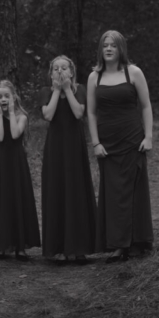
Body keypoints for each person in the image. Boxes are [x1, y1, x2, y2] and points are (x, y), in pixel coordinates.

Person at [87, 30, 154, 263]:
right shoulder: (94, 77)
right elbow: (91, 113)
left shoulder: (133, 73)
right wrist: (95, 142)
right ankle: (117, 245)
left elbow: (145, 106)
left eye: (113, 45)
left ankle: (137, 242)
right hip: (107, 144)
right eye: (104, 45)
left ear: (120, 49)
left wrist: (149, 136)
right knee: (113, 194)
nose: (108, 49)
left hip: (132, 140)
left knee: (133, 192)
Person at [40, 56, 97, 265]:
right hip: (55, 148)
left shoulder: (80, 89)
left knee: (76, 192)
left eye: (64, 68)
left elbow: (78, 112)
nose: (60, 71)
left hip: (74, 147)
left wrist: (67, 89)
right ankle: (60, 247)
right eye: (56, 69)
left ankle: (79, 247)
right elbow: (48, 115)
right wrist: (57, 90)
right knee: (57, 191)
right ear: (51, 73)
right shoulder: (46, 92)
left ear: (71, 72)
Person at [0, 80, 41, 261]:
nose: (3, 99)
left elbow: (15, 134)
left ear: (14, 97)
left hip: (17, 163)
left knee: (18, 197)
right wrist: (0, 115)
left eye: (7, 96)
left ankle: (20, 246)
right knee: (1, 198)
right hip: (0, 163)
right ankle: (2, 245)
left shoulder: (21, 116)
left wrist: (12, 112)